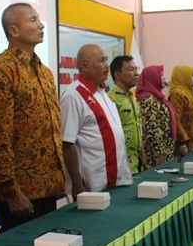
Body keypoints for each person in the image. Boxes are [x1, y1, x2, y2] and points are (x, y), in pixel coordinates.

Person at [0, 3, 65, 232]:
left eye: (39, 19)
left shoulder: (44, 72)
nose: (41, 25)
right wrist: (11, 191)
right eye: (33, 20)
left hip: (48, 185)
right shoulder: (0, 70)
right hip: (20, 192)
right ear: (14, 30)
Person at [60, 44, 132, 196]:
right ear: (85, 66)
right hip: (94, 185)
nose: (107, 66)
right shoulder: (74, 95)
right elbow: (67, 142)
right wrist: (77, 182)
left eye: (106, 60)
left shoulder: (102, 91)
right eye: (101, 61)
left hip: (117, 181)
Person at [107, 55, 147, 174]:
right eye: (131, 69)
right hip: (122, 165)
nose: (136, 74)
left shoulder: (132, 97)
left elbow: (137, 128)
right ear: (117, 75)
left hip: (137, 162)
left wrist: (143, 155)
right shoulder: (111, 99)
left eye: (136, 69)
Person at [137, 65, 177, 167]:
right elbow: (151, 129)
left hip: (166, 150)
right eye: (161, 75)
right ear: (152, 78)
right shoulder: (147, 99)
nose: (164, 78)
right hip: (156, 155)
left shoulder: (158, 97)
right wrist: (158, 153)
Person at [168, 65, 193, 154]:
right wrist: (183, 142)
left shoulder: (189, 94)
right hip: (185, 145)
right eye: (192, 75)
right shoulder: (177, 94)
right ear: (182, 77)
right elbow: (175, 120)